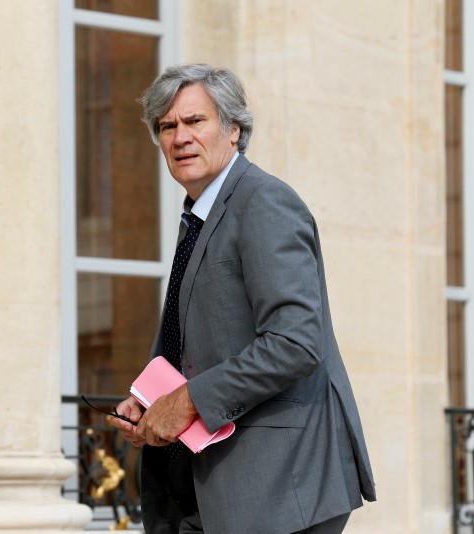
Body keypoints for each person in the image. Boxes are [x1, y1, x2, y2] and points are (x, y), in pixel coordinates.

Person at [108, 64, 376, 534]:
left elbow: (294, 343)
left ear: (234, 130)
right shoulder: (201, 216)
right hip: (210, 484)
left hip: (278, 486)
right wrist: (152, 400)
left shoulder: (264, 203)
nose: (180, 137)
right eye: (167, 127)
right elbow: (204, 337)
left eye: (195, 121)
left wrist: (188, 401)